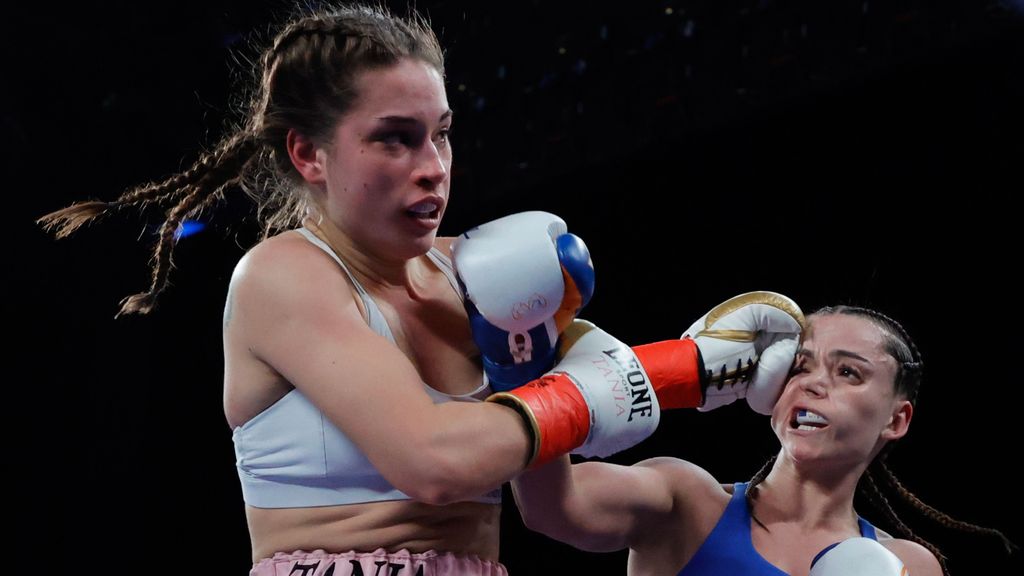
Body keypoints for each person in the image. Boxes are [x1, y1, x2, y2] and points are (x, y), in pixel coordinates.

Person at [36, 4, 806, 574]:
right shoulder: (284, 276)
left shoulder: (484, 278)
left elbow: (553, 495)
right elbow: (434, 461)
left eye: (440, 132)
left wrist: (705, 365)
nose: (433, 164)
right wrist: (661, 373)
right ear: (309, 154)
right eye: (395, 138)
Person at [510, 305, 1016, 575]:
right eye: (801, 365)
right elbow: (550, 508)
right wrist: (521, 358)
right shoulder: (686, 502)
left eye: (847, 372)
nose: (814, 383)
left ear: (896, 420)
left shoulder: (910, 566)